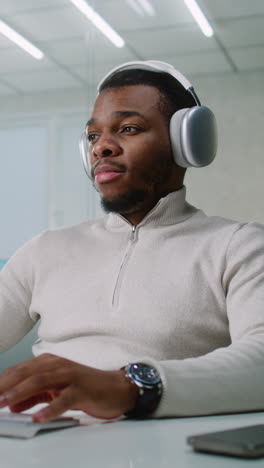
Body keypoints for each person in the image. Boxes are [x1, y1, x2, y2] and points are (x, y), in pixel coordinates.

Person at [0, 60, 264, 424]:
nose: (102, 148)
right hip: (39, 443)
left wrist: (128, 387)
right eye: (93, 136)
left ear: (185, 142)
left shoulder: (239, 246)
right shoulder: (44, 249)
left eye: (128, 128)